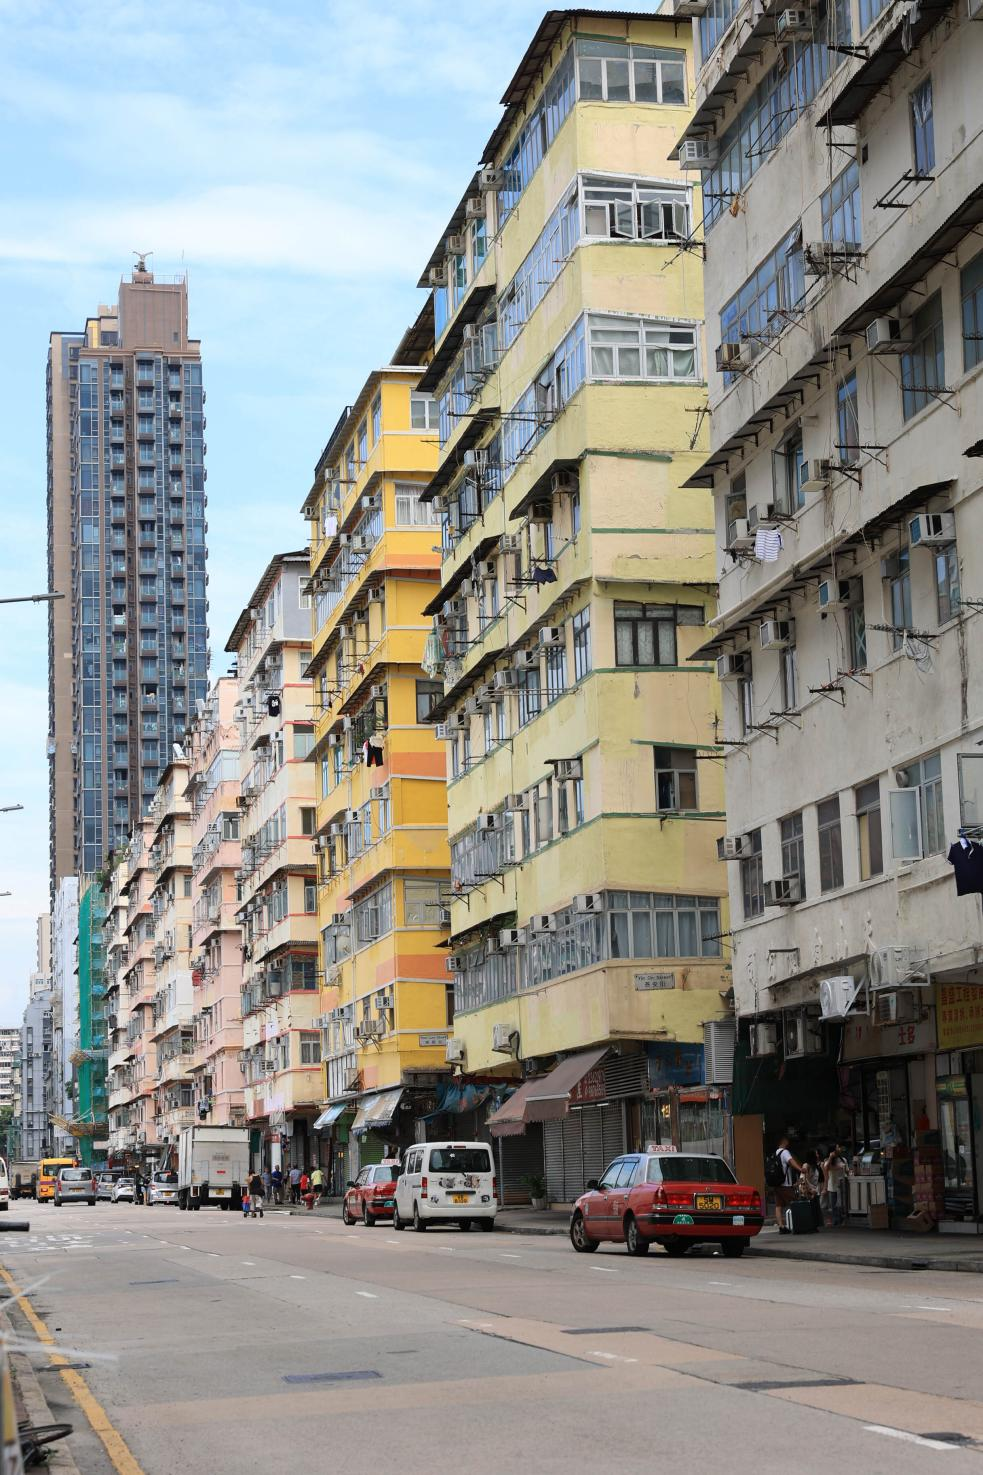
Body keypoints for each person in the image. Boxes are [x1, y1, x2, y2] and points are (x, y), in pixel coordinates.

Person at [773, 1135, 803, 1232]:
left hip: (777, 1183)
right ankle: (799, 1224)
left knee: (778, 1206)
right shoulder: (785, 1152)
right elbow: (791, 1161)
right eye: (787, 1140)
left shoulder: (776, 1152)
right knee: (795, 1202)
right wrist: (800, 1169)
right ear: (783, 1141)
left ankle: (781, 1227)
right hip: (785, 1183)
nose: (788, 1142)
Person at [823, 1144, 847, 1227]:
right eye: (837, 1147)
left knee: (842, 1204)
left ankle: (842, 1219)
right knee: (834, 1204)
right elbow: (826, 1168)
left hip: (842, 1184)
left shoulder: (843, 1159)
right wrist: (830, 1157)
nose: (839, 1148)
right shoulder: (828, 1160)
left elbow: (847, 1171)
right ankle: (836, 1220)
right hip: (832, 1185)